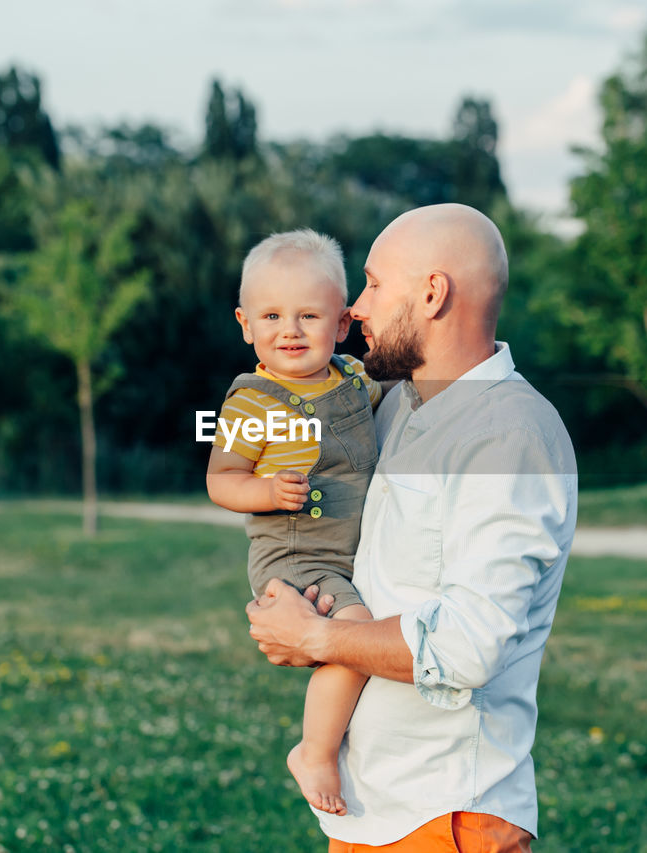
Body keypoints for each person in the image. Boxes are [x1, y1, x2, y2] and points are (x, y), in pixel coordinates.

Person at [246, 204, 578, 851]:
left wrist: (319, 636)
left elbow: (468, 645)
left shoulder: (508, 434)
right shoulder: (398, 404)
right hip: (372, 806)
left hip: (449, 816)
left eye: (372, 282)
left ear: (433, 293)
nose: (356, 307)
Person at [206, 229, 382, 817]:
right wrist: (265, 490)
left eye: (309, 315)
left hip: (348, 549)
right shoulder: (252, 401)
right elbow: (220, 478)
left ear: (340, 325)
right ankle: (314, 750)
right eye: (272, 315)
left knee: (359, 629)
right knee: (354, 633)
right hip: (295, 552)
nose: (290, 330)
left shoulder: (354, 378)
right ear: (245, 323)